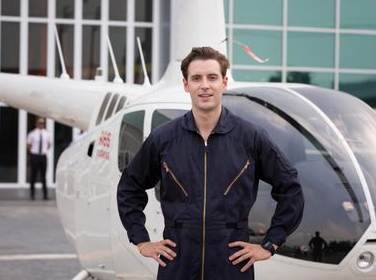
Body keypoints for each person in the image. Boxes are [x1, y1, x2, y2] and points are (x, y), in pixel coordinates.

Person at [117, 46, 304, 280]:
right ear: (186, 85)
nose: (204, 85)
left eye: (212, 77)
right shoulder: (163, 138)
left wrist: (270, 243)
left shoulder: (251, 138)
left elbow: (291, 188)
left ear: (224, 83)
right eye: (196, 78)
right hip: (177, 267)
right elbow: (129, 187)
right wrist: (141, 240)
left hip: (232, 268)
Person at [27, 117, 52, 200]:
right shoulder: (32, 134)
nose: (41, 125)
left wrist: (43, 150)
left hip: (43, 156)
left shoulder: (47, 134)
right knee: (33, 175)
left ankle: (45, 195)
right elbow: (28, 145)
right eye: (39, 123)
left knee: (43, 176)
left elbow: (49, 145)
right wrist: (33, 153)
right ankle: (32, 194)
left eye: (42, 123)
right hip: (35, 156)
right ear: (36, 124)